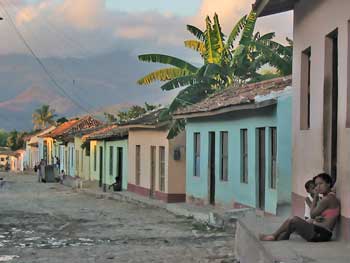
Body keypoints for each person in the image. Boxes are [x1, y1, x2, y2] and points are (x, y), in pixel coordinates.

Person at [260, 173, 340, 242]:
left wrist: (315, 196)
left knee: (293, 220)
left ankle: (274, 235)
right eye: (316, 185)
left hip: (321, 234)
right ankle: (284, 236)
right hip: (320, 231)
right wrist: (316, 219)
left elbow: (312, 214)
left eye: (321, 184)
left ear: (328, 183)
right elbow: (320, 216)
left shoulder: (327, 199)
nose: (318, 187)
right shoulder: (329, 197)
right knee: (293, 224)